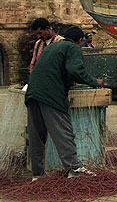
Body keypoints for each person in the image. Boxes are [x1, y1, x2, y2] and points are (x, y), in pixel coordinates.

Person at [25, 26, 104, 180]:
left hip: (33, 93)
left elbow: (55, 69)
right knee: (63, 131)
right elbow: (75, 70)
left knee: (37, 136)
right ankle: (74, 168)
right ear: (80, 40)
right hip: (50, 94)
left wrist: (68, 80)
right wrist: (95, 81)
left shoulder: (53, 46)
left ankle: (37, 174)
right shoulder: (73, 48)